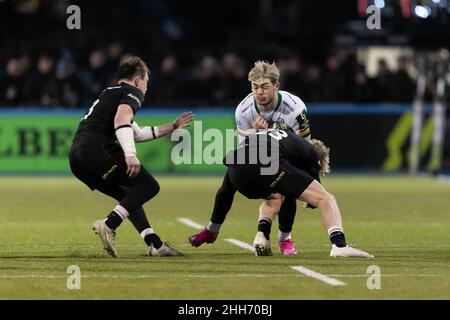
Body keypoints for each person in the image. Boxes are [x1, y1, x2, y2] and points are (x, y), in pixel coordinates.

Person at [69, 56, 193, 257]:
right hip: (97, 149)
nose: (146, 88)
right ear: (138, 80)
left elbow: (137, 132)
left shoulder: (110, 93)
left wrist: (172, 127)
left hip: (77, 158)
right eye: (146, 83)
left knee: (129, 197)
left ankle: (156, 245)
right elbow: (121, 121)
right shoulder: (133, 92)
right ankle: (109, 225)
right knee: (149, 186)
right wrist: (130, 154)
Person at [188, 61, 311, 255]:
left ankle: (285, 239)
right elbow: (244, 149)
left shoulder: (295, 109)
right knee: (229, 181)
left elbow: (304, 147)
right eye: (255, 87)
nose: (259, 92)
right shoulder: (244, 110)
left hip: (287, 153)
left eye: (264, 87)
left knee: (288, 189)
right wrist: (255, 133)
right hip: (257, 152)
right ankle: (212, 230)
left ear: (276, 86)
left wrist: (308, 180)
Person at [199, 128, 373, 258]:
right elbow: (314, 197)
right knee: (326, 198)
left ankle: (262, 237)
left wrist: (212, 230)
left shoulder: (279, 139)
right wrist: (309, 200)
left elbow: (225, 191)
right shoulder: (310, 152)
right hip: (268, 163)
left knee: (275, 195)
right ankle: (339, 245)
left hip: (237, 169)